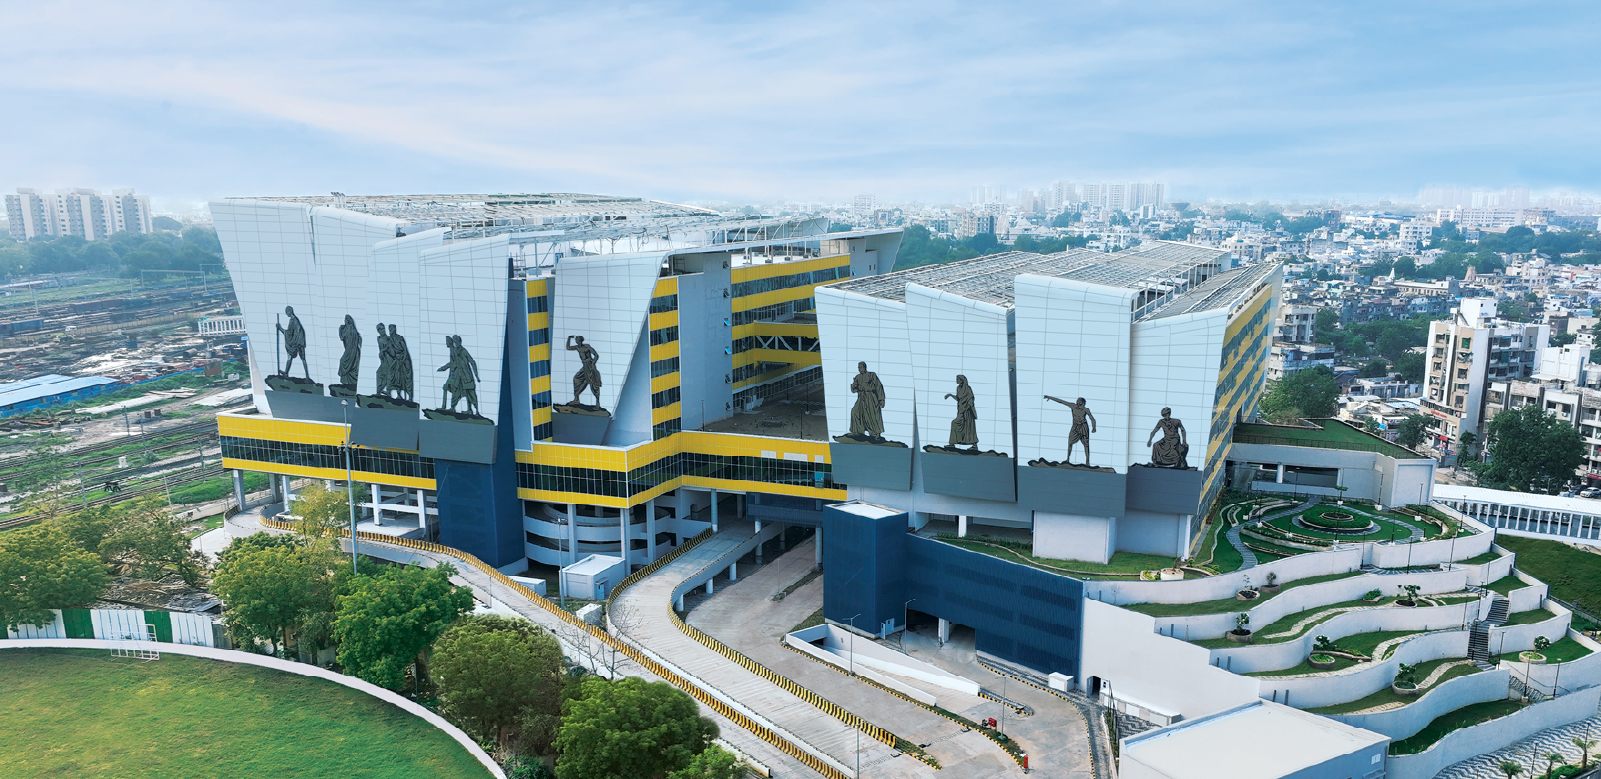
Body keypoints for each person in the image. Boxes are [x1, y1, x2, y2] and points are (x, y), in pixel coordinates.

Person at [1045, 395, 1097, 466]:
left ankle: (1087, 462)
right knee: (1070, 442)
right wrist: (1049, 397)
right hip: (1075, 426)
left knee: (1086, 444)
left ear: (1083, 404)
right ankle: (1068, 459)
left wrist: (1094, 427)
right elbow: (1061, 401)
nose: (1079, 404)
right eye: (1078, 402)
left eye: (1081, 403)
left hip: (1083, 427)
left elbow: (1092, 419)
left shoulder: (1086, 410)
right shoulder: (1073, 406)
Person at [848, 361, 886, 440]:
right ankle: (857, 431)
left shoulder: (872, 375)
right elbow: (854, 390)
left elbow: (879, 386)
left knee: (873, 415)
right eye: (858, 367)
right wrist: (853, 386)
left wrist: (881, 399)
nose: (859, 369)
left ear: (864, 367)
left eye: (860, 367)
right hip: (861, 397)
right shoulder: (857, 377)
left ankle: (877, 433)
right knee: (855, 411)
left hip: (871, 397)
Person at [944, 375, 978, 449]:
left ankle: (974, 445)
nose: (956, 380)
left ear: (962, 380)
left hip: (967, 412)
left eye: (958, 379)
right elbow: (958, 399)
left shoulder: (968, 388)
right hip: (961, 411)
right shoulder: (958, 388)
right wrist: (950, 395)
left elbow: (971, 399)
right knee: (955, 423)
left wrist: (967, 407)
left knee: (969, 428)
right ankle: (952, 443)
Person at [567, 335, 602, 407]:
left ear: (581, 340)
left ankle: (597, 402)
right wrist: (569, 338)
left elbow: (596, 355)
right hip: (584, 366)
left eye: (578, 339)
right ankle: (576, 399)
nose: (577, 341)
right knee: (576, 379)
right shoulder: (577, 347)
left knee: (593, 383)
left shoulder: (587, 346)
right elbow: (568, 348)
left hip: (590, 365)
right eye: (576, 340)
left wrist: (593, 363)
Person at [276, 306, 308, 378]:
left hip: (298, 342)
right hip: (297, 342)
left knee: (302, 358)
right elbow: (291, 333)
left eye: (287, 312)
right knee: (290, 356)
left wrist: (280, 328)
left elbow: (290, 333)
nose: (286, 314)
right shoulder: (292, 320)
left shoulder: (294, 320)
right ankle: (286, 373)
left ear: (290, 311)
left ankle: (307, 376)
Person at [389, 324, 414, 401]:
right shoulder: (390, 339)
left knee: (407, 378)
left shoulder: (399, 338)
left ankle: (410, 397)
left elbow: (405, 349)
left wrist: (403, 357)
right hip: (397, 359)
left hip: (405, 360)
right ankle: (398, 395)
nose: (390, 330)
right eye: (389, 329)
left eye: (392, 328)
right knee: (397, 377)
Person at [337, 315, 361, 388]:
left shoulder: (351, 329)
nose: (344, 321)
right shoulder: (345, 328)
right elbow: (342, 338)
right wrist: (341, 329)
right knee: (343, 361)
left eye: (346, 320)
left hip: (352, 351)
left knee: (343, 361)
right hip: (349, 349)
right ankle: (345, 382)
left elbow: (343, 337)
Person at [373, 322, 392, 396]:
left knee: (385, 374)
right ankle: (380, 391)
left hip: (389, 360)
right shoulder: (379, 339)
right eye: (381, 329)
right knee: (380, 373)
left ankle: (384, 391)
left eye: (383, 328)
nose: (383, 330)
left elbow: (390, 346)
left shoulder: (389, 338)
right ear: (378, 330)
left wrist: (383, 350)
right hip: (384, 360)